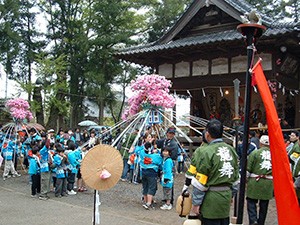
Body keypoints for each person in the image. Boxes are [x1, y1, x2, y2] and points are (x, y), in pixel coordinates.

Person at [189, 119, 239, 225]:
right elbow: (236, 179)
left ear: (207, 134)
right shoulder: (231, 150)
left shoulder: (206, 152)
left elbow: (200, 182)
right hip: (225, 197)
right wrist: (231, 195)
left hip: (210, 200)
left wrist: (196, 203)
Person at [246, 135, 273, 225]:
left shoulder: (255, 153)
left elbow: (249, 168)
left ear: (260, 143)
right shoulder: (275, 154)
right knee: (264, 204)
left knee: (251, 202)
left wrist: (245, 179)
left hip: (255, 181)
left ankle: (253, 220)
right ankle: (261, 222)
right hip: (268, 182)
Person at [140, 141, 163, 210]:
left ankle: (146, 201)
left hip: (143, 172)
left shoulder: (142, 153)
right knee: (152, 187)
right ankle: (149, 203)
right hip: (152, 173)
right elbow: (160, 162)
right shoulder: (156, 156)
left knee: (145, 186)